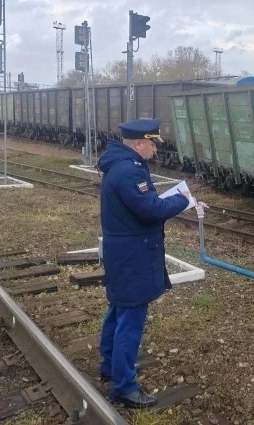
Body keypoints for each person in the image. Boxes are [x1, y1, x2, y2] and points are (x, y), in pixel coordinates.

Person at [97, 118, 190, 408]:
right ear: (138, 143)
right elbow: (150, 209)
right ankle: (124, 386)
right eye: (152, 144)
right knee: (130, 321)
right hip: (132, 256)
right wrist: (182, 200)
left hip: (122, 252)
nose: (155, 149)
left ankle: (110, 366)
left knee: (118, 310)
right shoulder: (129, 171)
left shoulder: (121, 165)